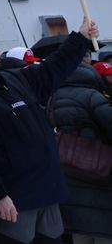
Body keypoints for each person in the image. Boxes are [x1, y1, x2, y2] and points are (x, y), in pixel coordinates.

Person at [0, 17, 100, 244]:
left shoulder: (14, 78)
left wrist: (80, 39)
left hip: (47, 187)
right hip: (14, 196)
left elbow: (53, 68)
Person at [48, 53, 112, 244]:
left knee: (80, 231)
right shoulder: (93, 97)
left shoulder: (52, 98)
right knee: (103, 231)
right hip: (99, 172)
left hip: (68, 173)